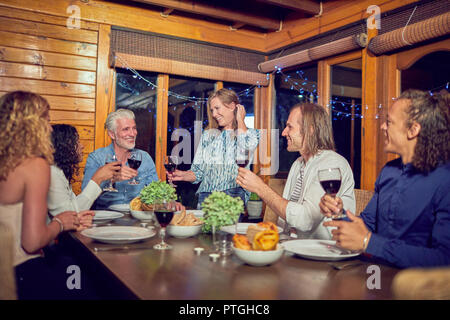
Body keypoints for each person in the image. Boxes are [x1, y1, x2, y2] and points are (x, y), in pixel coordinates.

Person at [319, 89, 450, 268]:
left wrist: (369, 242)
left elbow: (444, 260)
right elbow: (368, 225)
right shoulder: (389, 171)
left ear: (413, 130)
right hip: (374, 275)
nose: (382, 127)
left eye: (389, 122)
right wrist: (338, 213)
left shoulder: (444, 180)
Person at [0, 91, 86, 299]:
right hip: (20, 270)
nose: (49, 127)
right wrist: (60, 223)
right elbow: (32, 242)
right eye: (46, 119)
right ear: (31, 124)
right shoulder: (35, 165)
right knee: (89, 285)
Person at [236, 103, 355, 239]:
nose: (284, 132)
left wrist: (260, 188)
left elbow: (306, 220)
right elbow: (286, 223)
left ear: (310, 130)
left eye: (290, 127)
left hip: (321, 253)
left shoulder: (331, 165)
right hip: (294, 247)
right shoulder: (298, 164)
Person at [167, 88, 260, 208]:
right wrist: (182, 175)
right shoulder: (208, 135)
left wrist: (240, 120)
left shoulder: (252, 134)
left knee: (227, 228)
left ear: (232, 106)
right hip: (205, 196)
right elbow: (198, 172)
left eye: (217, 108)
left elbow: (247, 146)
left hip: (232, 194)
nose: (214, 114)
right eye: (212, 110)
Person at [82, 108, 158, 209]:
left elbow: (156, 195)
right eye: (126, 129)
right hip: (105, 220)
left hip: (137, 219)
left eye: (134, 128)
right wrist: (110, 179)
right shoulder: (96, 158)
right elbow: (86, 197)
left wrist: (168, 202)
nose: (132, 134)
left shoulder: (145, 158)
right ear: (112, 134)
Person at [48, 124, 119, 218]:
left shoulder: (60, 172)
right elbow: (69, 215)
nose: (82, 146)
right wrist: (97, 179)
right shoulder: (52, 174)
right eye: (76, 142)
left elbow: (74, 207)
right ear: (64, 146)